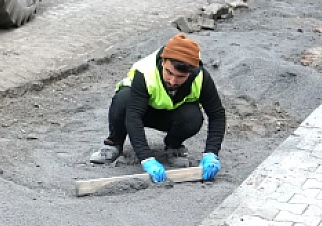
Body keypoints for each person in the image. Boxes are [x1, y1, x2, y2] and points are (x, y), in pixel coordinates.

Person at [89, 34, 226, 183]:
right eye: (169, 72)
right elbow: (133, 117)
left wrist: (211, 153)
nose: (173, 81)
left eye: (180, 77)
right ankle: (113, 143)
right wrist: (146, 158)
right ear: (163, 61)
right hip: (142, 110)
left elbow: (217, 114)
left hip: (172, 115)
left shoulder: (201, 77)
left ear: (191, 71)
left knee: (192, 117)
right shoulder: (145, 72)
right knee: (123, 99)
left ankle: (173, 147)